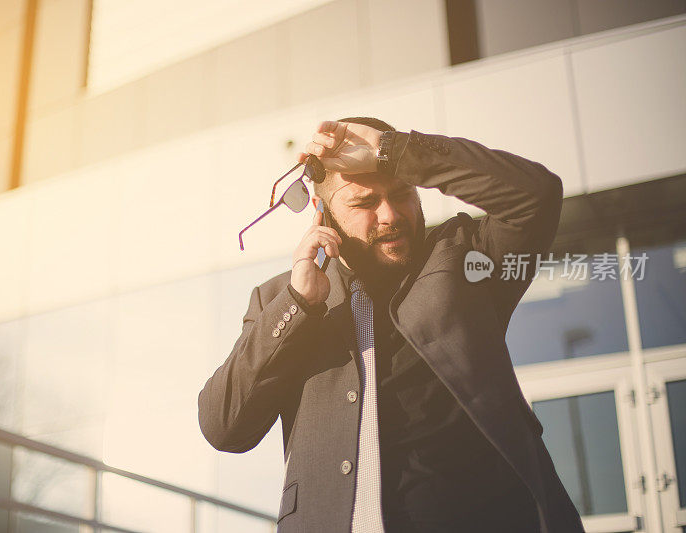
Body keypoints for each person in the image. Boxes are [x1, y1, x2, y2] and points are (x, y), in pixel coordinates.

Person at [198, 117, 585, 533]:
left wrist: (397, 150)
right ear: (321, 212)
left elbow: (536, 195)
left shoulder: (463, 258)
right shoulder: (278, 299)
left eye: (402, 195)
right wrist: (297, 304)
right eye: (364, 204)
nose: (390, 215)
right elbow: (224, 427)